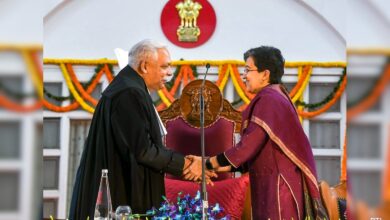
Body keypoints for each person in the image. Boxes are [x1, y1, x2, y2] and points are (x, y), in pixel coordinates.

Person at [69, 39, 212, 220]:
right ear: (144, 66)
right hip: (118, 197)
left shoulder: (129, 86)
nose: (169, 73)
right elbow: (143, 151)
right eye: (164, 67)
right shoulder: (129, 93)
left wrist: (185, 162)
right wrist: (185, 164)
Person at [187, 46, 328, 219]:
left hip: (279, 191)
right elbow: (246, 159)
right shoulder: (275, 95)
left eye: (247, 70)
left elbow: (245, 148)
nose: (244, 75)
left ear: (265, 74)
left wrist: (206, 165)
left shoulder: (270, 99)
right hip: (272, 184)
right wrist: (204, 161)